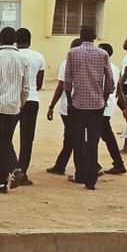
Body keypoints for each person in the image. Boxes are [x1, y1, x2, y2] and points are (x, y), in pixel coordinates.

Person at [62, 26, 115, 190]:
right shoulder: (103, 54)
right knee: (93, 141)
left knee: (77, 140)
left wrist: (70, 100)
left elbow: (67, 81)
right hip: (96, 104)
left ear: (80, 36)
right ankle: (91, 179)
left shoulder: (72, 53)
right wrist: (104, 98)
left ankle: (81, 173)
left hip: (78, 103)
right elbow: (110, 81)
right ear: (94, 37)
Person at [0, 27, 29, 193]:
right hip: (14, 108)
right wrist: (20, 104)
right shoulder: (23, 59)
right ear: (15, 40)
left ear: (0, 40)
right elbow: (26, 88)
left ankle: (1, 182)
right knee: (5, 141)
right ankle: (15, 170)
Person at [44, 39, 81, 178]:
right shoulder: (88, 62)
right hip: (83, 106)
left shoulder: (66, 63)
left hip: (68, 107)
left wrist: (51, 105)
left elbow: (61, 86)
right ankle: (61, 165)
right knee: (73, 137)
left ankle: (88, 167)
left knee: (72, 138)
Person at [14, 27, 46, 184]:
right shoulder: (38, 57)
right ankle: (23, 171)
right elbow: (39, 83)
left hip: (13, 100)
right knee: (27, 139)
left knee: (5, 137)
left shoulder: (13, 56)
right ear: (30, 40)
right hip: (32, 99)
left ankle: (10, 168)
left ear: (15, 41)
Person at [97, 43, 127, 174]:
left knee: (98, 136)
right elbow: (119, 88)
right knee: (105, 135)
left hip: (101, 106)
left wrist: (101, 103)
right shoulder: (114, 68)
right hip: (107, 107)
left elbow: (106, 89)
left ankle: (116, 164)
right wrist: (125, 107)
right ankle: (117, 163)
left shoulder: (103, 68)